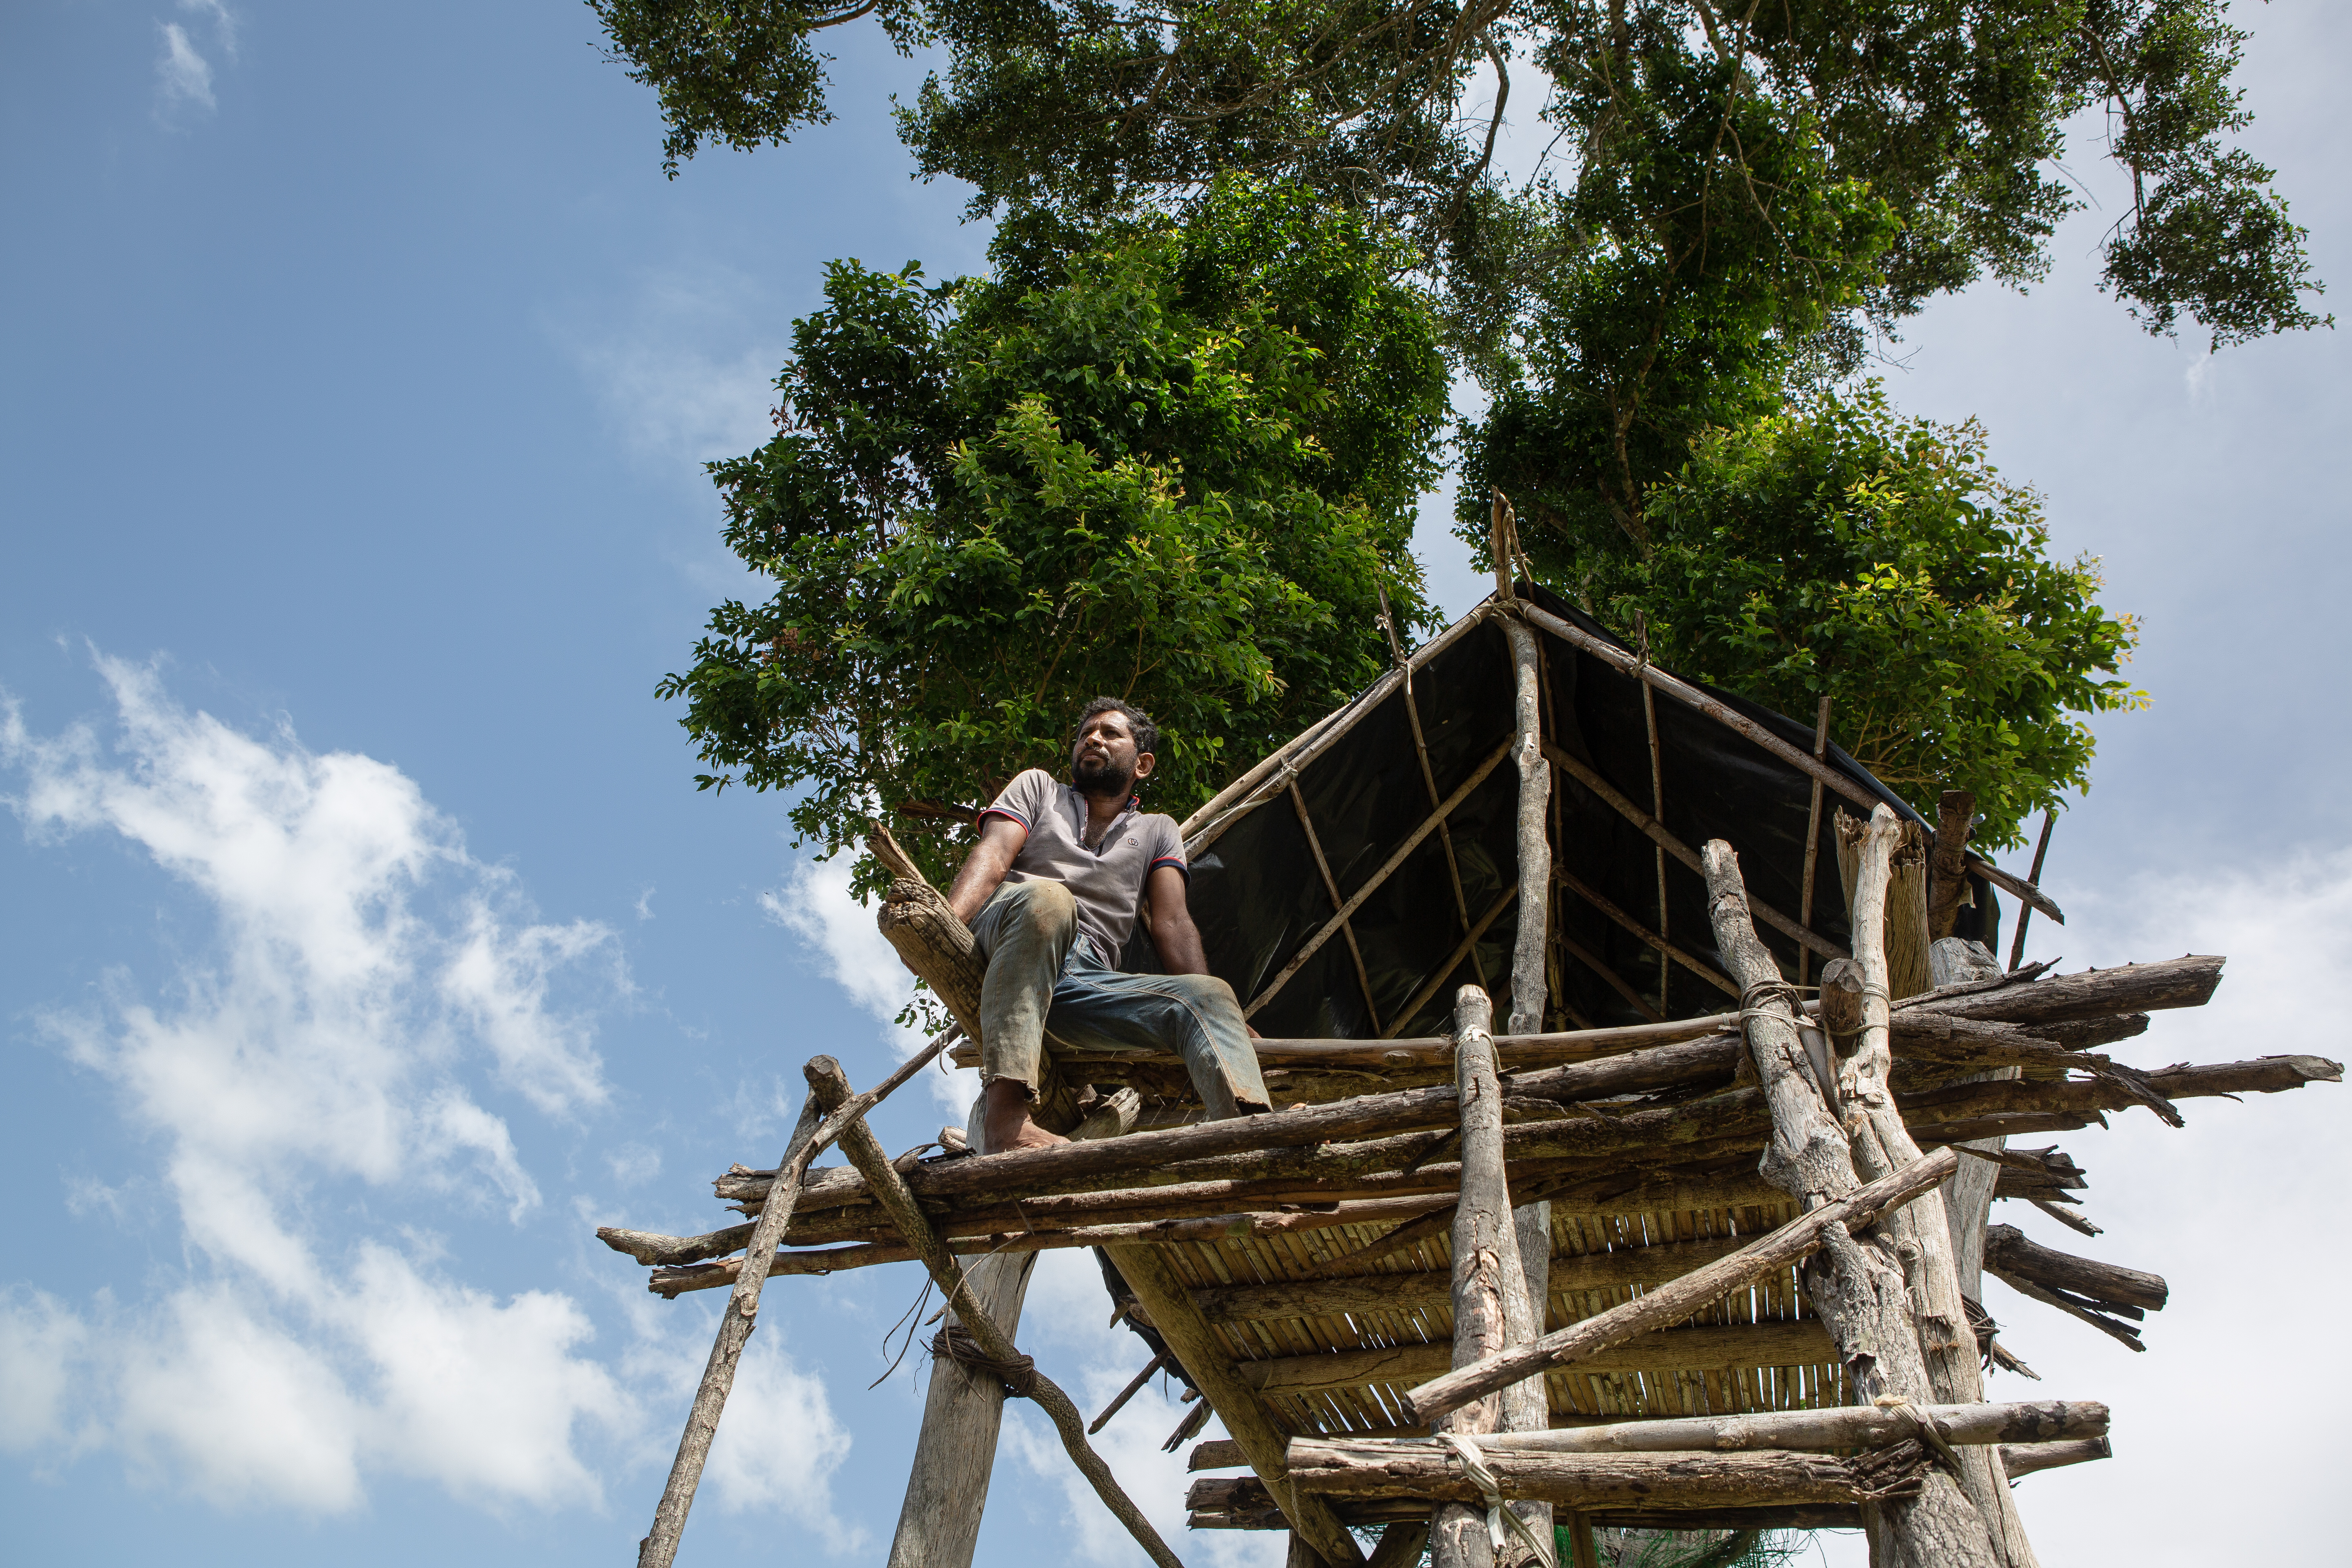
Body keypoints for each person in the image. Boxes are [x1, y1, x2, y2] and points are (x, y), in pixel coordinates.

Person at [943, 698, 1271, 1153]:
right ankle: (1005, 1120)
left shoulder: (1158, 830)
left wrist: (1226, 1015)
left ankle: (1256, 1142)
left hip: (1085, 983)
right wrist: (943, 926)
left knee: (1212, 997)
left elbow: (1172, 922)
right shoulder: (1038, 788)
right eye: (1085, 734)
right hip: (1009, 943)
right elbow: (994, 855)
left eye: (1110, 733)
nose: (1092, 739)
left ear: (1143, 764)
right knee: (1049, 899)